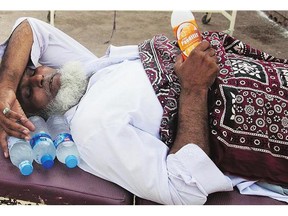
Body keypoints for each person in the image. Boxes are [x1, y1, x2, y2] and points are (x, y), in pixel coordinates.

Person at [0, 17, 287, 204]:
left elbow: (29, 27)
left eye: (30, 70)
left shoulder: (84, 70)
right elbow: (183, 190)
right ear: (35, 118)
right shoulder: (92, 128)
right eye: (29, 92)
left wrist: (8, 87)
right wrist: (194, 89)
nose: (38, 76)